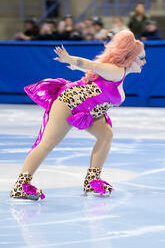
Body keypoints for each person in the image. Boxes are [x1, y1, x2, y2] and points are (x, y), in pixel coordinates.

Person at [10, 30, 146, 200]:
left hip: (87, 110)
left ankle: (92, 180)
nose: (144, 62)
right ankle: (21, 185)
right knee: (47, 143)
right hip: (68, 103)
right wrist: (71, 60)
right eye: (141, 58)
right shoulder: (116, 71)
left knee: (106, 135)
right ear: (129, 57)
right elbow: (91, 65)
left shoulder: (121, 74)